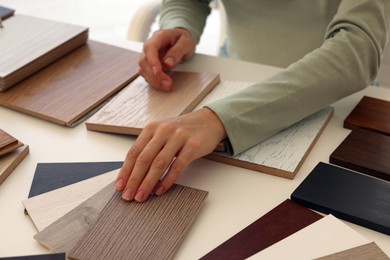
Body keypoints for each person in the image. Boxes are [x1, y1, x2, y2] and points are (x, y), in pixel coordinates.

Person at [115, 0, 390, 202]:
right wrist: (179, 25)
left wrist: (221, 119)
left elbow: (358, 50)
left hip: (341, 99)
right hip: (233, 80)